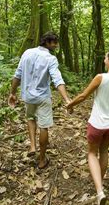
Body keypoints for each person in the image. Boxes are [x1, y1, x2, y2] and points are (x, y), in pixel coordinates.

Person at [66, 49, 109, 205]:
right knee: (105, 151)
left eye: (106, 57)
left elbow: (83, 96)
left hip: (97, 124)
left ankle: (100, 191)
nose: (104, 59)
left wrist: (70, 105)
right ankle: (99, 184)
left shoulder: (100, 77)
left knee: (91, 153)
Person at [8, 32, 71, 169]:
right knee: (44, 127)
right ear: (46, 42)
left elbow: (17, 75)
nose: (56, 45)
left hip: (28, 96)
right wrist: (66, 99)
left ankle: (32, 146)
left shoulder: (27, 53)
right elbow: (57, 80)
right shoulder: (51, 58)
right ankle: (42, 160)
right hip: (43, 97)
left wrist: (12, 93)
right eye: (53, 42)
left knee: (30, 118)